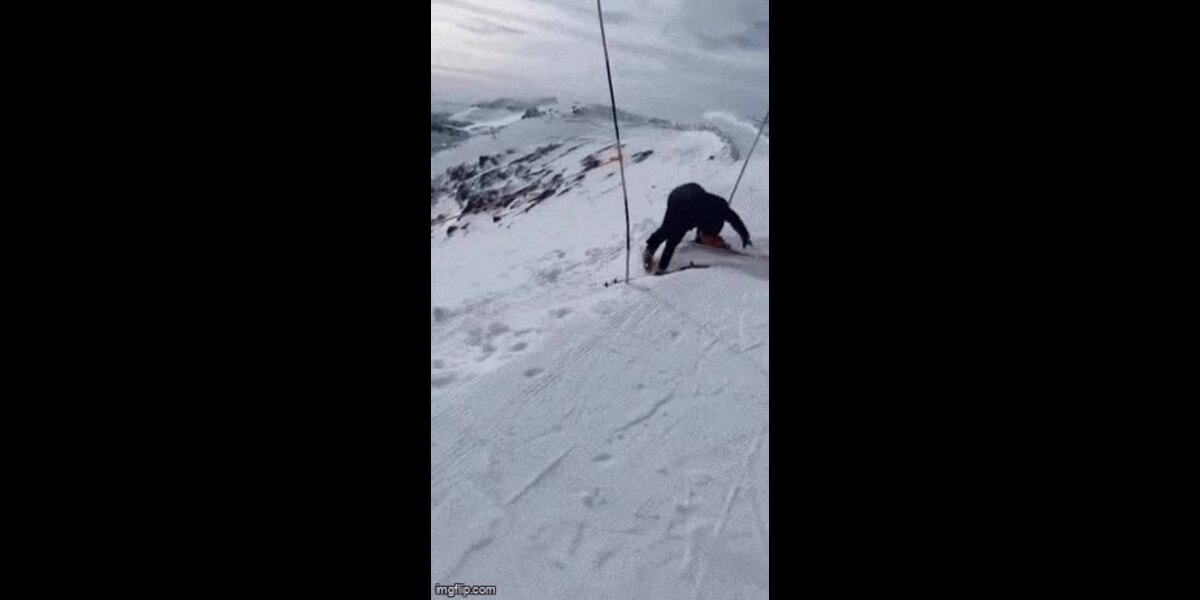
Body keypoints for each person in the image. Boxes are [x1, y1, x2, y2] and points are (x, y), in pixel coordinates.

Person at [643, 183, 752, 274]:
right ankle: (649, 250)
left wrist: (744, 235)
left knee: (708, 231)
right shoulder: (682, 221)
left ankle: (702, 240)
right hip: (678, 200)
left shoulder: (721, 209)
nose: (719, 239)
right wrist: (662, 268)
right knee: (668, 232)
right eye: (715, 240)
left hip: (696, 192)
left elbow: (734, 219)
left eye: (715, 239)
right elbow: (670, 245)